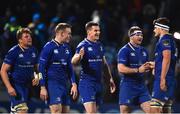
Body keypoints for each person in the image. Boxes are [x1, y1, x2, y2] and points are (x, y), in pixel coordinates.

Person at [71, 21, 116, 113]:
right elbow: (73, 61)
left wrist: (110, 79)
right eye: (95, 30)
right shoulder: (83, 45)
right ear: (89, 32)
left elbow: (104, 64)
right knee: (92, 112)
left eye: (99, 30)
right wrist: (79, 56)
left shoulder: (99, 45)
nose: (98, 32)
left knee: (94, 112)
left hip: (98, 84)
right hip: (87, 84)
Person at [38, 23, 78, 113]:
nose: (70, 36)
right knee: (56, 110)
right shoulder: (48, 47)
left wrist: (74, 84)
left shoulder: (67, 48)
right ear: (61, 33)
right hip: (52, 84)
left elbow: (70, 68)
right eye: (68, 33)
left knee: (66, 111)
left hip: (64, 85)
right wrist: (42, 87)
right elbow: (41, 68)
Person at [0, 28, 39, 113]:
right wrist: (9, 87)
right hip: (16, 85)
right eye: (26, 36)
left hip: (26, 86)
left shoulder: (34, 50)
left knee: (19, 110)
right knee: (22, 110)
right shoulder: (14, 51)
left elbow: (36, 68)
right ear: (20, 40)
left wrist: (37, 77)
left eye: (30, 36)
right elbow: (3, 71)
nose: (29, 38)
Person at [117, 26, 151, 113]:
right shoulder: (124, 50)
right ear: (131, 36)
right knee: (125, 112)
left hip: (141, 86)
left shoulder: (144, 51)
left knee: (152, 111)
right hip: (128, 86)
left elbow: (145, 67)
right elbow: (121, 68)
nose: (141, 37)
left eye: (142, 35)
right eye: (138, 35)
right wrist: (138, 70)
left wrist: (151, 67)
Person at [149, 17, 177, 113]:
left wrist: (162, 78)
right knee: (166, 110)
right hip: (168, 78)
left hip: (164, 79)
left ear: (161, 28)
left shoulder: (165, 40)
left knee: (154, 110)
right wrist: (155, 65)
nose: (154, 30)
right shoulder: (169, 40)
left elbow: (167, 58)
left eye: (155, 28)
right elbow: (166, 59)